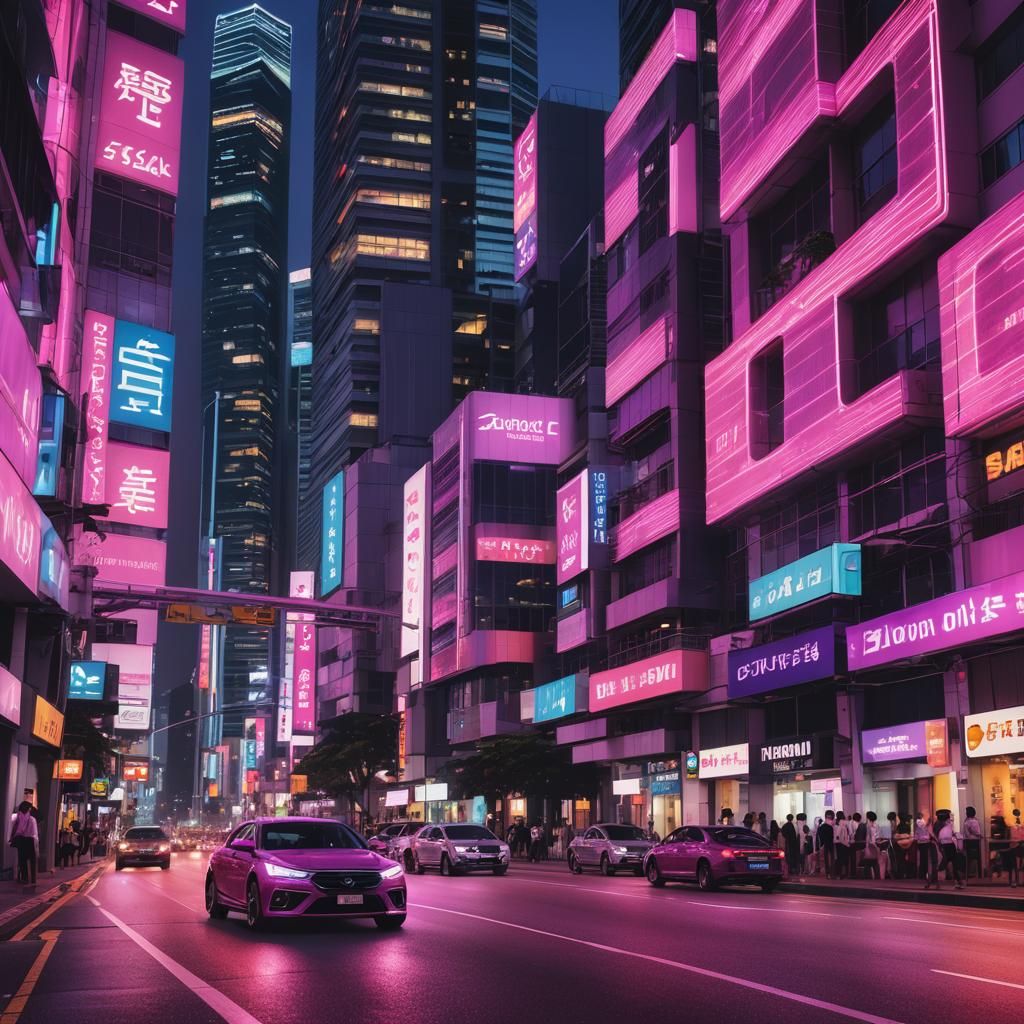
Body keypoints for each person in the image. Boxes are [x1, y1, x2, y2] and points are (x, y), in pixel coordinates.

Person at [933, 810, 964, 890]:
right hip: (948, 845)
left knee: (946, 862)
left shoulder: (937, 825)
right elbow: (951, 834)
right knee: (951, 863)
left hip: (944, 845)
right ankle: (958, 882)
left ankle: (939, 882)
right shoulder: (946, 824)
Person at [9, 801, 38, 885]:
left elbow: (12, 827)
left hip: (20, 840)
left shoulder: (16, 817)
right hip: (30, 840)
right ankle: (33, 879)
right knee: (32, 860)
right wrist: (36, 845)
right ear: (29, 809)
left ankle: (24, 878)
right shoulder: (32, 819)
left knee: (22, 860)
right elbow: (35, 834)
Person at [962, 806, 983, 881]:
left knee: (968, 858)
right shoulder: (974, 821)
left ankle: (968, 874)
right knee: (977, 858)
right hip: (974, 841)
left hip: (967, 841)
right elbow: (976, 832)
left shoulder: (967, 821)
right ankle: (979, 874)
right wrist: (980, 835)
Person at [818, 810, 836, 879]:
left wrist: (821, 844)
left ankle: (828, 873)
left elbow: (820, 835)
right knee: (832, 858)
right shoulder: (833, 826)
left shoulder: (822, 826)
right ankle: (831, 873)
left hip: (825, 844)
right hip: (832, 843)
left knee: (827, 859)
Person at [834, 811, 852, 879]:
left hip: (837, 843)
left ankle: (838, 874)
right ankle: (845, 874)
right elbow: (850, 833)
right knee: (845, 858)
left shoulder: (835, 823)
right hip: (844, 843)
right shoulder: (845, 822)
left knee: (838, 859)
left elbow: (837, 834)